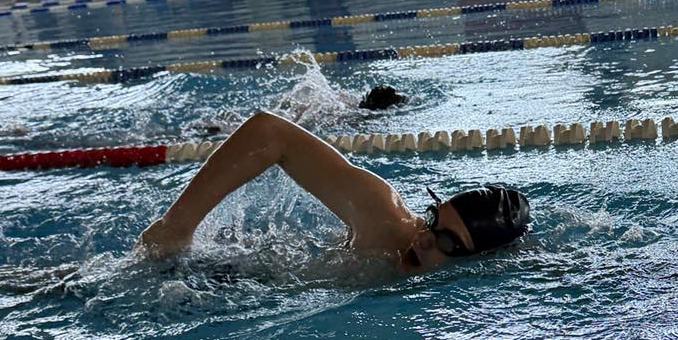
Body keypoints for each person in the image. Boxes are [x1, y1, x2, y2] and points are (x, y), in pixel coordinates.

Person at [138, 109, 530, 276]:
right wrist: (177, 225)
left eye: (447, 241)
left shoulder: (482, 276)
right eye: (432, 220)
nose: (424, 238)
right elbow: (269, 132)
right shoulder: (383, 216)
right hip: (231, 278)